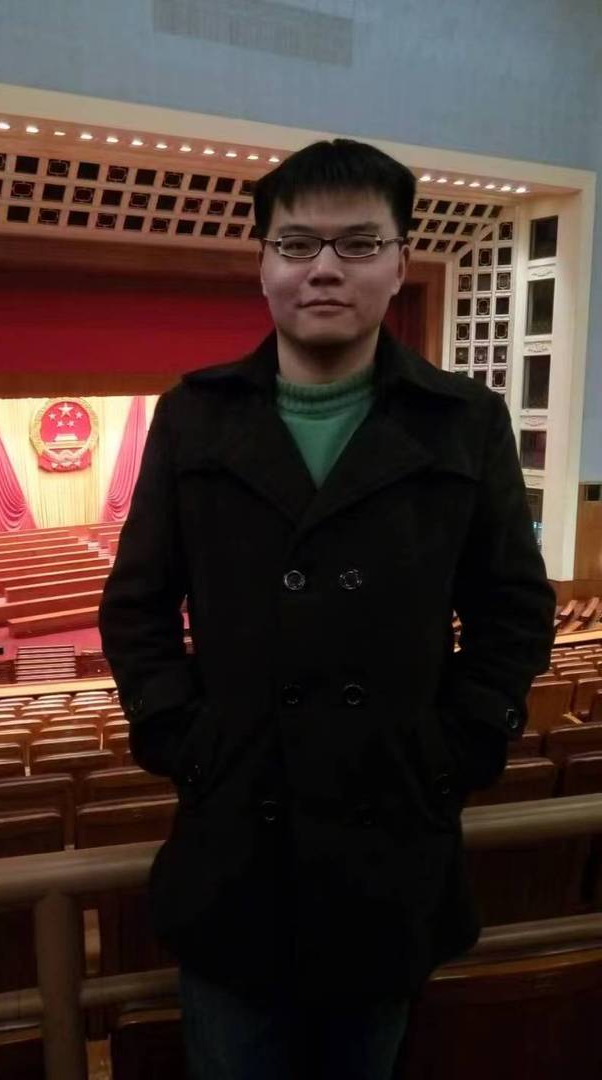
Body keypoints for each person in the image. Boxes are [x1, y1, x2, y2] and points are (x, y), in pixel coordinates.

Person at [98, 138, 556, 1079]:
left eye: (358, 243)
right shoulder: (194, 414)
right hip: (236, 845)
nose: (323, 268)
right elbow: (136, 605)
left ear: (399, 260)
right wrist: (185, 740)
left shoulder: (463, 421)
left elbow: (513, 608)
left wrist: (457, 749)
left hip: (389, 844)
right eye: (297, 243)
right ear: (263, 262)